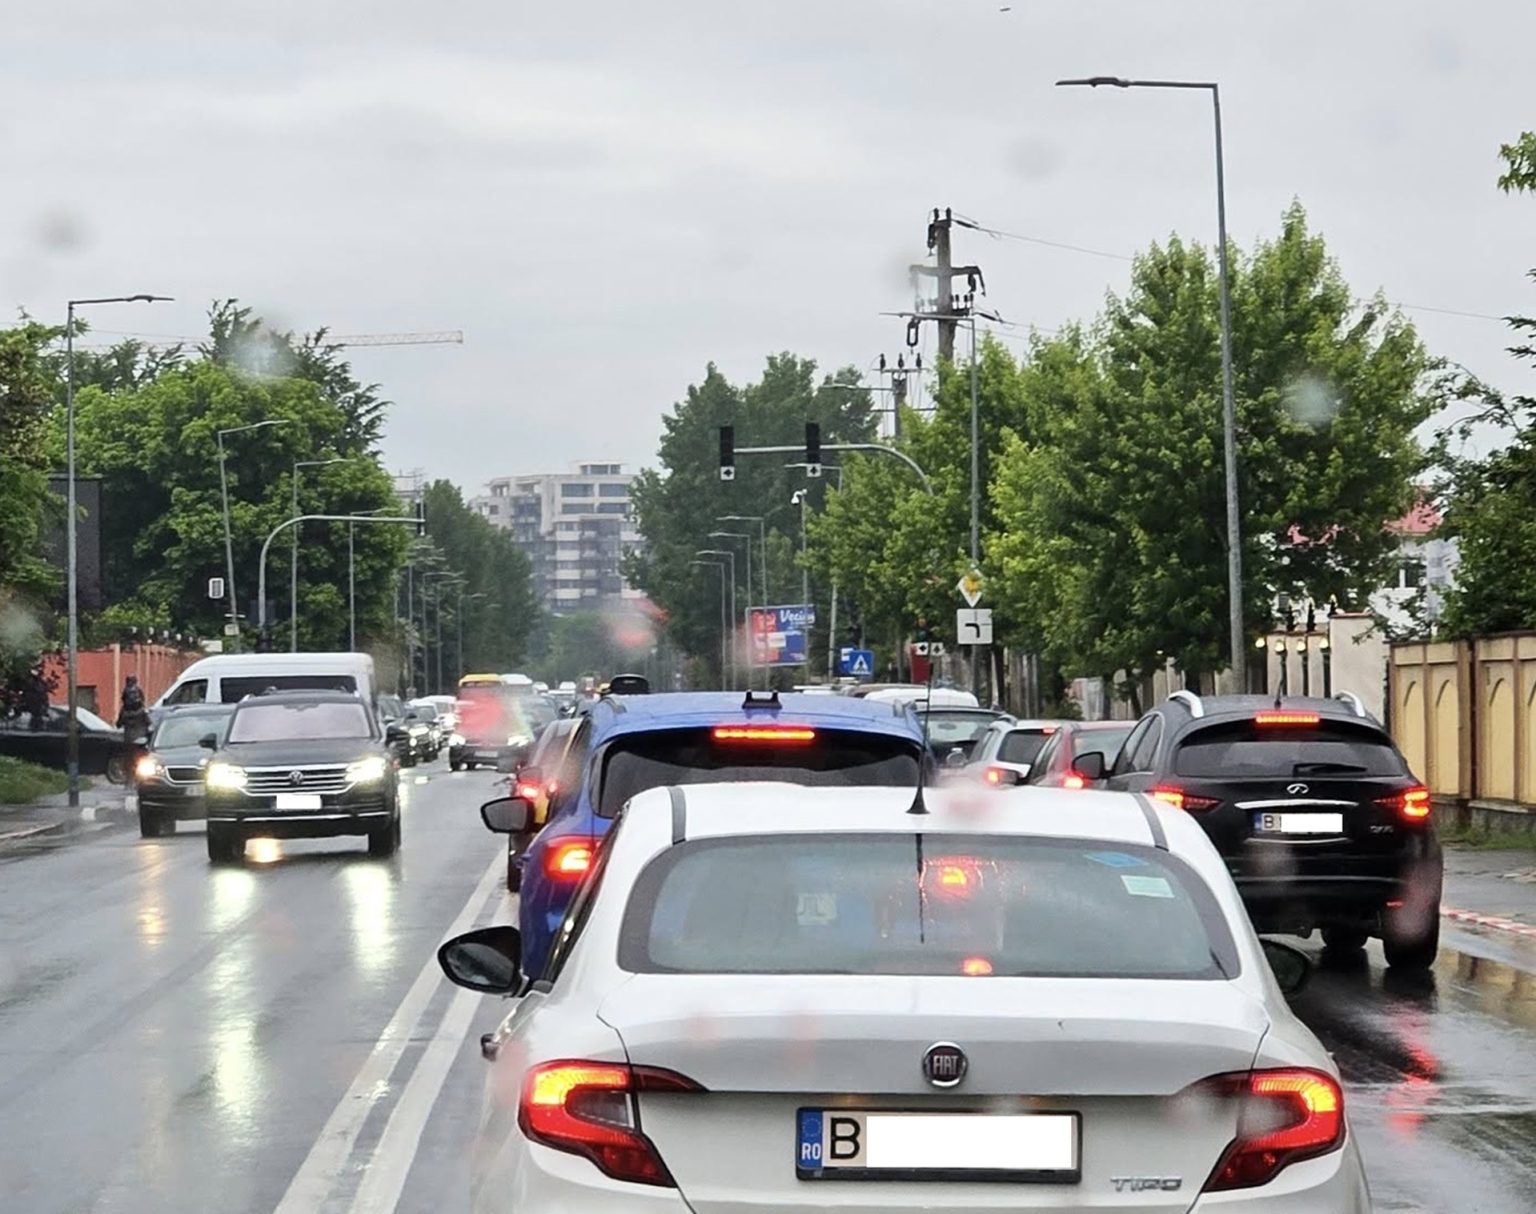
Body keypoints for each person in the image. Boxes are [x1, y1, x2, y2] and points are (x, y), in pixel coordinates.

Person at [117, 675, 151, 745]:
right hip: (142, 739)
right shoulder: (142, 711)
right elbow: (149, 723)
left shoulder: (123, 712)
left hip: (129, 740)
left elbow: (118, 725)